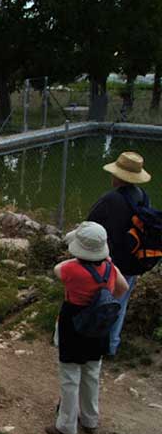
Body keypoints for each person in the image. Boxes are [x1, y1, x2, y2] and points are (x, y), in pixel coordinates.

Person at [46, 222, 128, 434]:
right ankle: (90, 419)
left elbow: (57, 269)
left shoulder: (71, 269)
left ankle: (66, 426)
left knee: (70, 375)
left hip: (73, 324)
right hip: (99, 326)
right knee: (92, 372)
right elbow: (123, 289)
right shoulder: (111, 269)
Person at [86, 151, 153, 357]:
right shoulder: (142, 196)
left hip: (108, 263)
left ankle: (91, 344)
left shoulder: (110, 199)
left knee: (97, 302)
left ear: (119, 176)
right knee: (119, 304)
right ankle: (112, 346)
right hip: (132, 262)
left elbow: (89, 225)